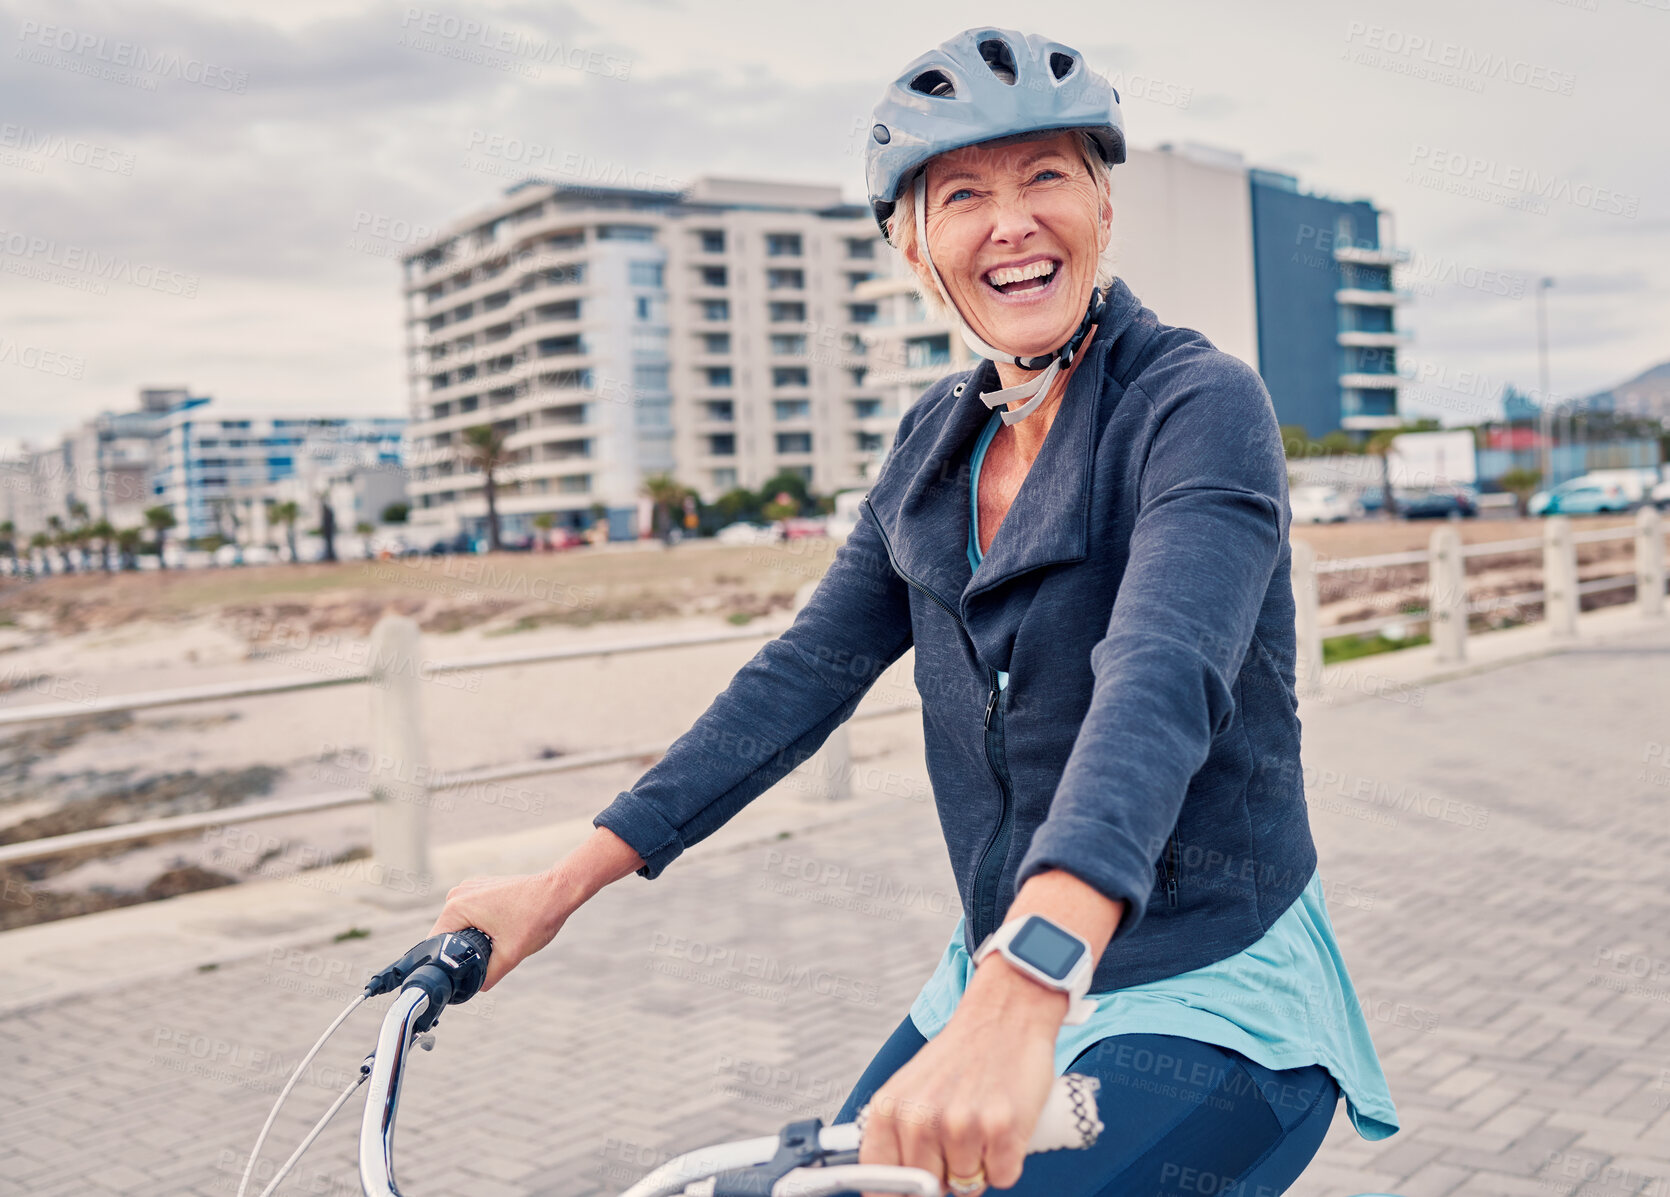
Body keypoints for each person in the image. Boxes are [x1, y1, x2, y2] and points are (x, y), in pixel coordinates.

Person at [430, 27, 1399, 1196]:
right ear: (912, 248)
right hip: (989, 975)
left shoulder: (1195, 404)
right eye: (961, 196)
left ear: (1102, 203)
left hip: (1201, 985)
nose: (1011, 222)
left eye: (1046, 176)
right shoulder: (931, 447)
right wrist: (556, 886)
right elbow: (799, 678)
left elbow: (1159, 679)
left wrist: (1030, 976)